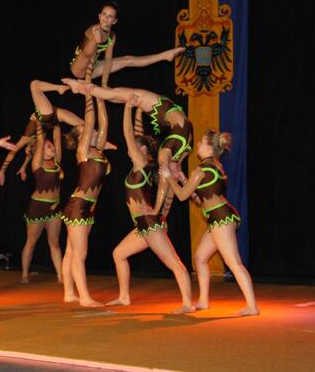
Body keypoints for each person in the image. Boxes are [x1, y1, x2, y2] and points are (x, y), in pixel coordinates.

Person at [106, 97, 194, 313]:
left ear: (143, 151)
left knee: (174, 263)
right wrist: (138, 112)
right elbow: (137, 135)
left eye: (134, 148)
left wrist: (127, 108)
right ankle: (124, 297)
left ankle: (188, 304)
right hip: (143, 225)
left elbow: (129, 135)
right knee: (119, 254)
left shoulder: (141, 164)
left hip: (150, 223)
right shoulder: (141, 165)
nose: (129, 150)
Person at [160, 130, 259, 316]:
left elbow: (181, 196)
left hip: (221, 218)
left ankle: (252, 306)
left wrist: (168, 177)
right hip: (218, 218)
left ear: (209, 147)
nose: (197, 145)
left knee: (234, 263)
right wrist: (182, 178)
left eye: (201, 142)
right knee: (200, 258)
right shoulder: (215, 166)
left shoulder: (201, 170)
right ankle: (203, 301)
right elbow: (199, 199)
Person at [63, 78, 193, 215]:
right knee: (115, 94)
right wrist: (160, 212)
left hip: (174, 118)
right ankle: (85, 87)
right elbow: (167, 186)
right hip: (172, 116)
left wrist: (159, 212)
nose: (130, 152)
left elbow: (167, 185)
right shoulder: (169, 153)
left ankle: (84, 87)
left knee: (116, 95)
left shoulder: (170, 153)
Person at [59, 84, 110, 307]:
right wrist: (89, 93)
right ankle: (85, 298)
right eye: (90, 132)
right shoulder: (83, 151)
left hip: (88, 207)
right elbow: (90, 122)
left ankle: (69, 293)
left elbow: (103, 123)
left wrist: (100, 95)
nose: (95, 131)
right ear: (82, 137)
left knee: (71, 252)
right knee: (79, 254)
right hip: (78, 206)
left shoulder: (97, 150)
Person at [70, 1, 184, 85]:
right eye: (104, 14)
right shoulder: (93, 29)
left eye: (110, 16)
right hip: (78, 67)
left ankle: (164, 56)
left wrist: (104, 84)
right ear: (99, 16)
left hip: (94, 68)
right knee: (88, 53)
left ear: (114, 21)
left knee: (128, 60)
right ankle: (95, 45)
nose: (106, 18)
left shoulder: (112, 36)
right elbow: (88, 54)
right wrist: (88, 81)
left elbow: (108, 60)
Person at [21, 121, 64, 284]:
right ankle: (25, 274)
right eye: (48, 146)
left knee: (54, 243)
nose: (52, 146)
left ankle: (61, 276)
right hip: (38, 207)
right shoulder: (37, 164)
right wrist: (40, 123)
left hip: (55, 208)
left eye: (51, 145)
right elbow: (40, 140)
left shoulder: (56, 162)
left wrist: (56, 121)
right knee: (31, 242)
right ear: (40, 149)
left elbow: (57, 139)